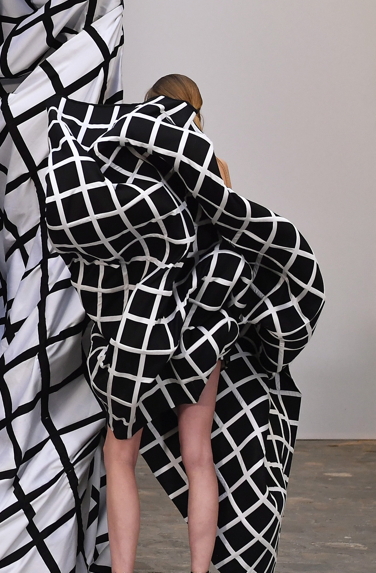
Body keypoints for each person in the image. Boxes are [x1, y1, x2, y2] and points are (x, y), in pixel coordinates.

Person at [102, 74, 229, 573]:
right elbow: (225, 250)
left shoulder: (128, 170)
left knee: (120, 457)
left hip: (139, 326)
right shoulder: (215, 169)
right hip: (199, 327)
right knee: (198, 455)